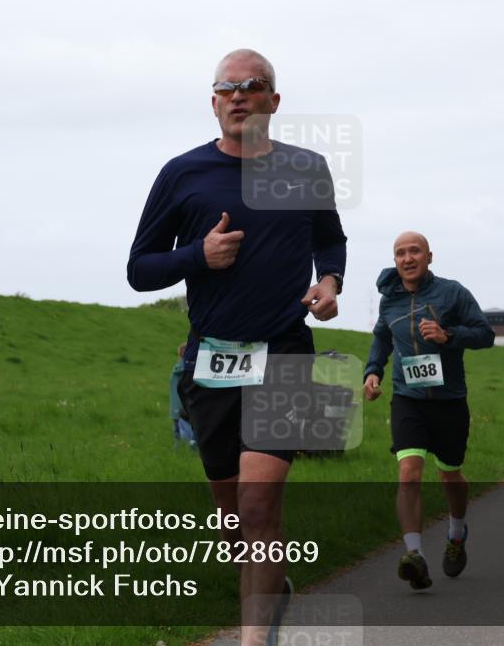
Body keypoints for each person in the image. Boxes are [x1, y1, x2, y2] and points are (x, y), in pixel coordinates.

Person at [127, 49, 347, 646]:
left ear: (274, 101)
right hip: (211, 359)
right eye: (227, 87)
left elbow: (330, 241)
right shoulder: (183, 174)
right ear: (214, 102)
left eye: (253, 85)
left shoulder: (306, 169)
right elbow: (139, 269)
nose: (239, 94)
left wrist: (329, 284)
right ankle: (271, 587)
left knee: (257, 503)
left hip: (283, 351)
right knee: (232, 515)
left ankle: (254, 639)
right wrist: (199, 255)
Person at [362, 231, 494, 590]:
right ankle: (414, 554)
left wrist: (448, 335)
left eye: (414, 251)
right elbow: (382, 336)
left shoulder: (452, 293)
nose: (407, 258)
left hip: (449, 401)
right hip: (408, 399)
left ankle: (456, 533)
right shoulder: (389, 300)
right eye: (400, 253)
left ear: (429, 257)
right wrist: (373, 371)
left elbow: (485, 334)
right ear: (395, 260)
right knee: (408, 473)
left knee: (450, 475)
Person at [170, 342, 197, 449]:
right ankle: (191, 444)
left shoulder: (176, 368)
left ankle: (178, 446)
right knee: (193, 426)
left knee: (177, 428)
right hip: (186, 405)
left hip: (175, 405)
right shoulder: (188, 369)